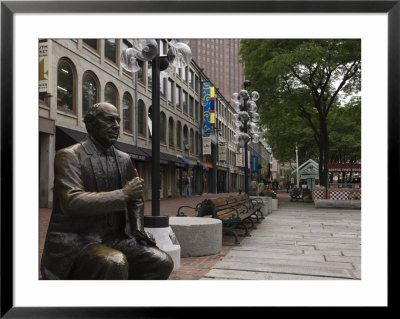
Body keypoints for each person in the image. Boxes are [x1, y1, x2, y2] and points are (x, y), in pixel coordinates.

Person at [41, 103, 174, 280]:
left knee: (161, 261)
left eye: (118, 120)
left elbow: (136, 198)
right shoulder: (69, 156)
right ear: (91, 123)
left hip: (114, 237)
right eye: (109, 120)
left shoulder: (124, 159)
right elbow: (71, 202)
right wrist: (123, 194)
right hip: (78, 240)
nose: (117, 126)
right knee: (114, 262)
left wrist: (138, 228)